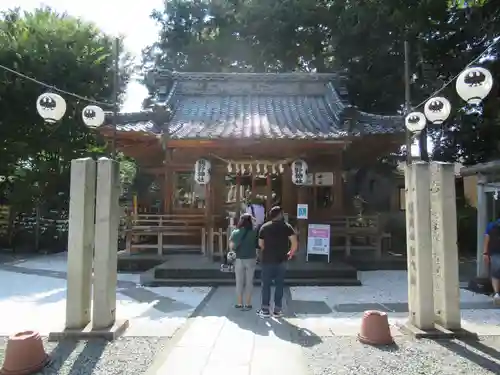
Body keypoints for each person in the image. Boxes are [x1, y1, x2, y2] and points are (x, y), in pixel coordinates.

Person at [256, 206, 298, 317]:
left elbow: (260, 244)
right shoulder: (287, 227)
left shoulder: (264, 227)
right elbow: (294, 242)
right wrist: (291, 253)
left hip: (267, 260)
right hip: (282, 259)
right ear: (280, 214)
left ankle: (265, 309)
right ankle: (277, 310)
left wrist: (267, 250)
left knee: (266, 285)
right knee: (279, 284)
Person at [229, 213, 258, 310]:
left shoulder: (235, 232)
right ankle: (248, 303)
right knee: (249, 282)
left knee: (239, 282)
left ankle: (239, 303)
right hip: (251, 258)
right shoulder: (254, 232)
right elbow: (258, 245)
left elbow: (232, 247)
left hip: (239, 259)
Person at [483, 216, 500, 304]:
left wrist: (485, 253)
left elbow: (486, 238)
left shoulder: (492, 225)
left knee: (495, 274)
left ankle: (496, 294)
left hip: (495, 252)